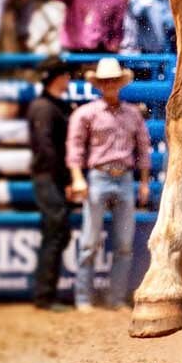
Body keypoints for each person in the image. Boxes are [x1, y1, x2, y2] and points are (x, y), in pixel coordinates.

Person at [66, 57, 151, 311]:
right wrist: (78, 177)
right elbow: (75, 148)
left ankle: (114, 298)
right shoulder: (86, 114)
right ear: (99, 84)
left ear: (119, 83)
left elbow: (143, 149)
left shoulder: (132, 115)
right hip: (99, 176)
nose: (110, 85)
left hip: (124, 177)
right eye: (106, 81)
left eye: (113, 80)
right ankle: (83, 298)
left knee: (124, 244)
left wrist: (144, 182)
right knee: (90, 241)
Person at [26, 57, 76, 312]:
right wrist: (66, 178)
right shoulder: (46, 108)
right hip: (49, 177)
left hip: (51, 177)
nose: (69, 79)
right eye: (66, 75)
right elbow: (47, 148)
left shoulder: (50, 106)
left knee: (56, 232)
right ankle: (45, 295)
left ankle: (45, 293)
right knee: (56, 232)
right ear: (58, 78)